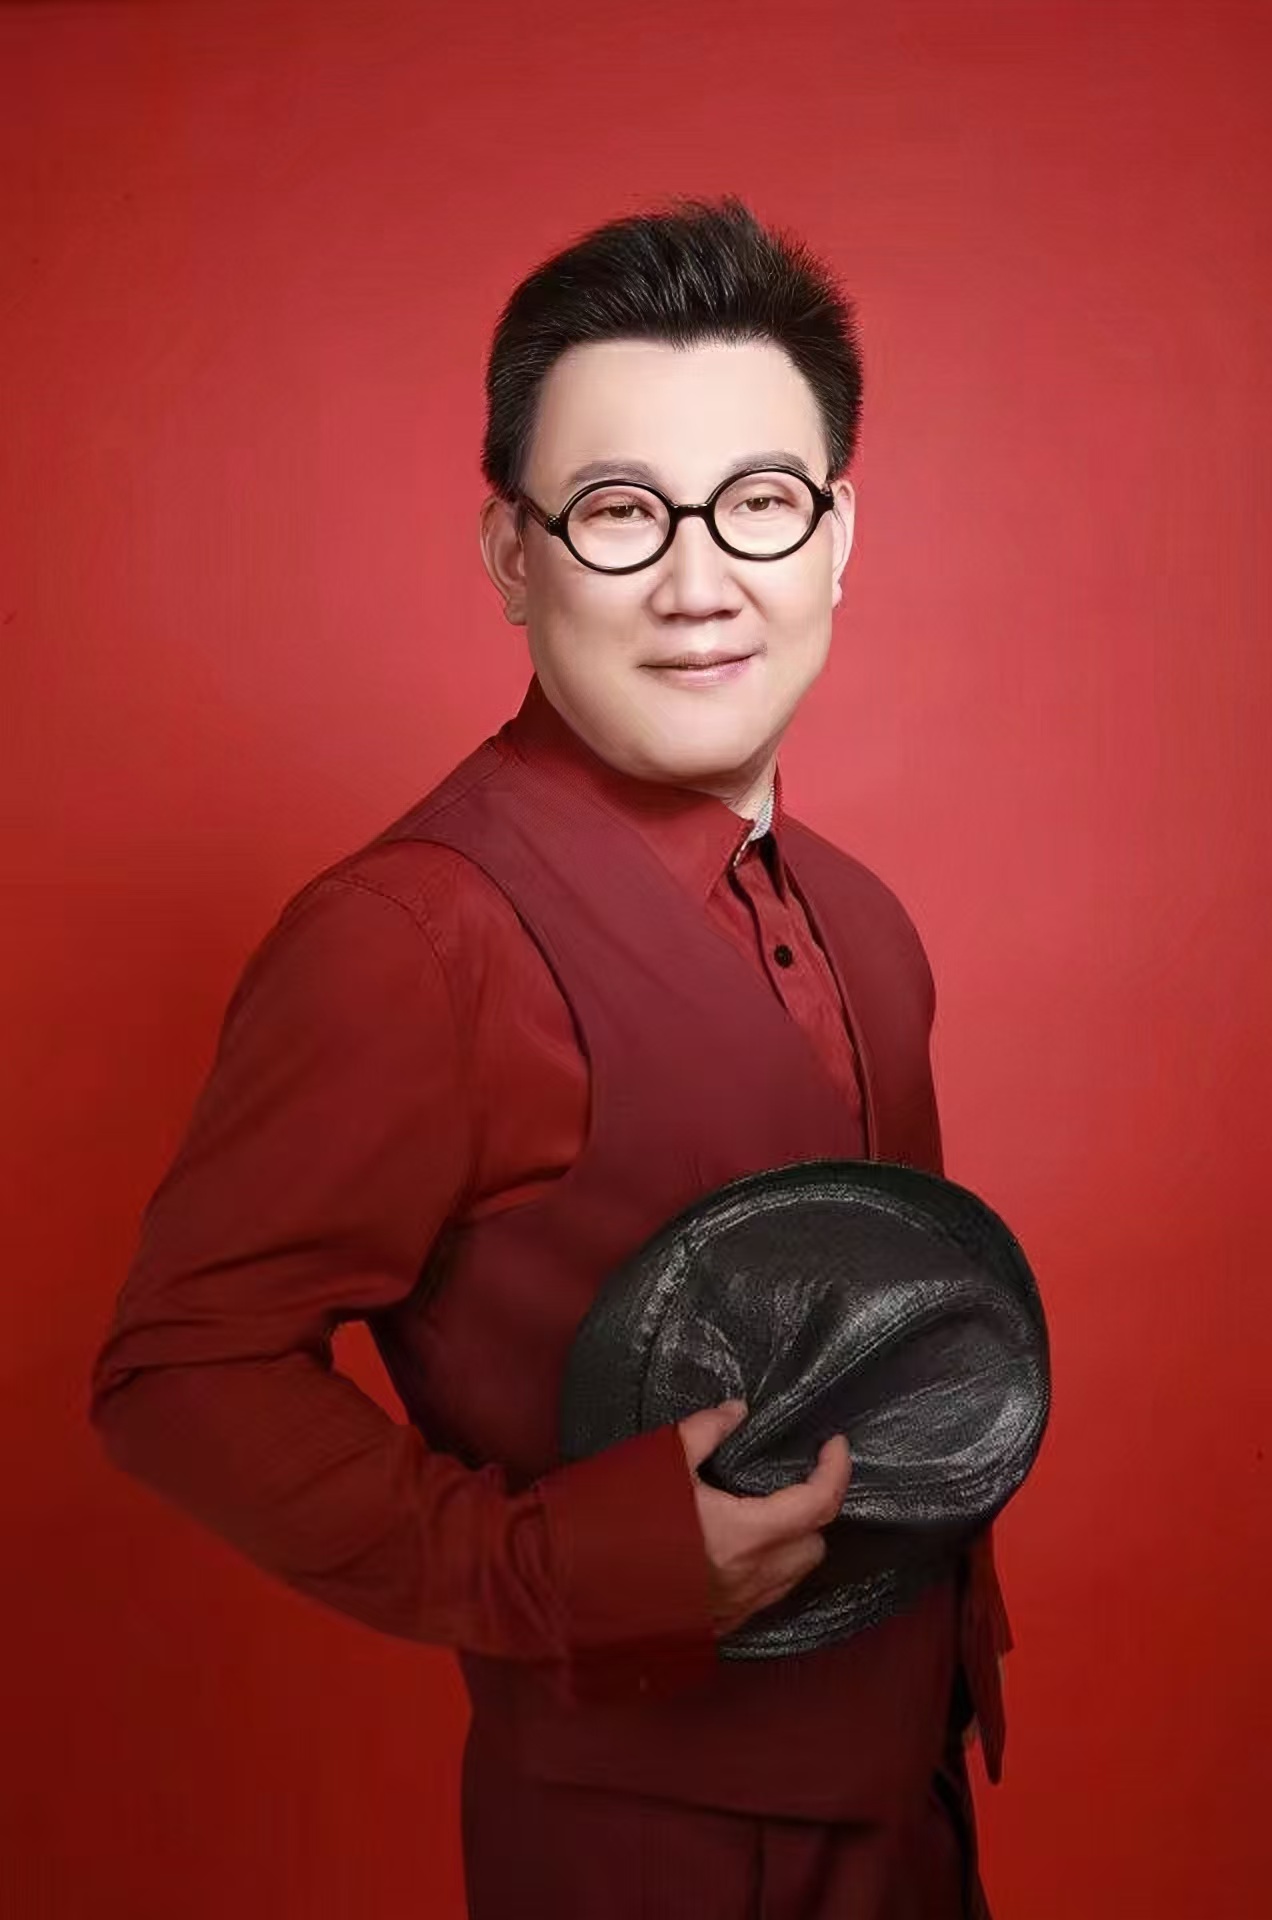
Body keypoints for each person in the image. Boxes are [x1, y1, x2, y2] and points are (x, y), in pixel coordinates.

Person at [89, 195, 1013, 1919]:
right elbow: (176, 1373)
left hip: (915, 1814)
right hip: (643, 1855)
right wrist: (559, 1569)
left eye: (759, 502)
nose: (698, 583)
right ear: (514, 555)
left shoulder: (870, 923)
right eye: (617, 511)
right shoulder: (409, 938)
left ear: (836, 537)